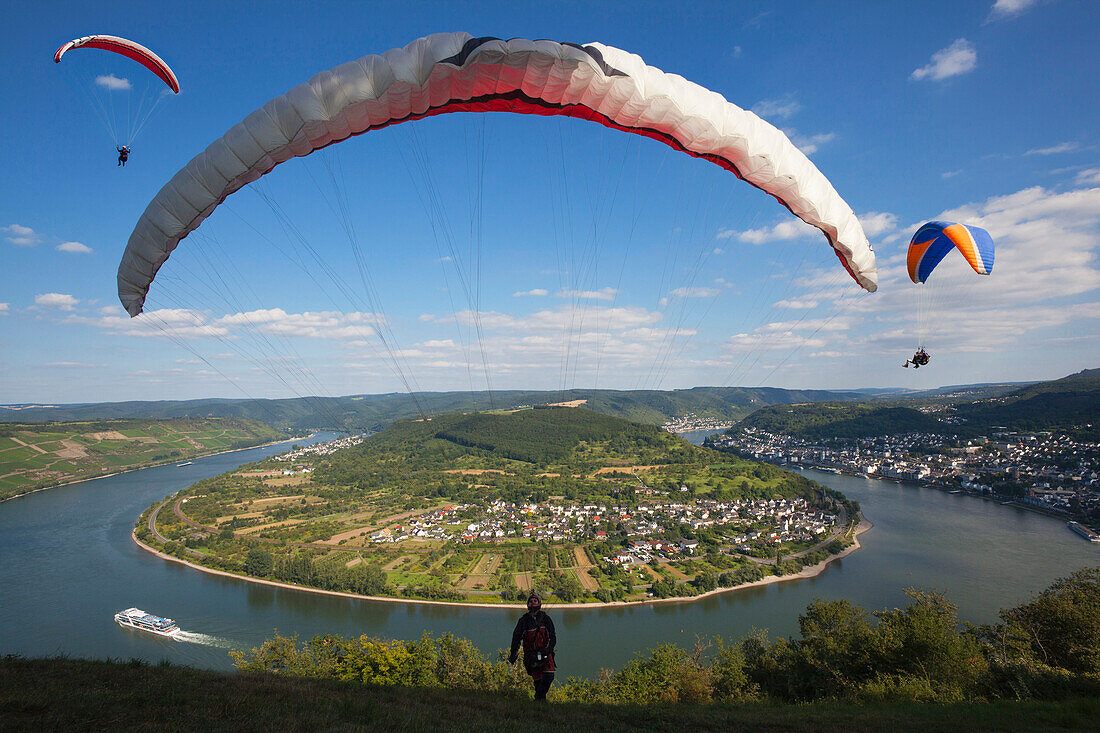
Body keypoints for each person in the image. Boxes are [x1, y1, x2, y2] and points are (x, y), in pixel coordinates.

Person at [509, 592, 556, 701]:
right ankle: (540, 703)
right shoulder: (523, 621)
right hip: (531, 655)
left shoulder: (546, 619)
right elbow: (516, 638)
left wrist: (548, 650)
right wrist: (513, 654)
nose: (533, 602)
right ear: (528, 604)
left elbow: (552, 636)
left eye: (535, 601)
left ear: (539, 603)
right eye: (531, 601)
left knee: (549, 676)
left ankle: (538, 698)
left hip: (545, 654)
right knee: (538, 681)